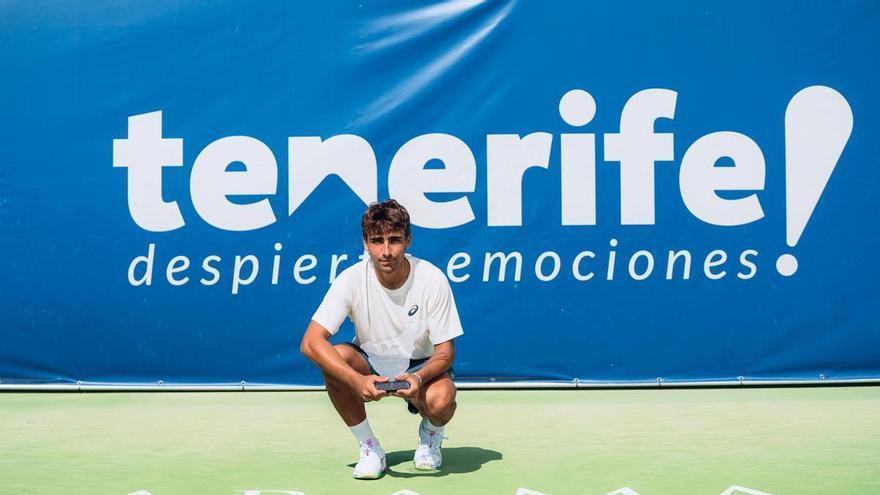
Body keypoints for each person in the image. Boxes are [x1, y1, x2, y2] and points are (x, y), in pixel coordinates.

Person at [300, 199, 463, 479]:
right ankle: (369, 447)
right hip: (370, 363)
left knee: (442, 401)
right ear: (365, 243)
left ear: (408, 240)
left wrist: (419, 378)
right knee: (333, 358)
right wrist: (357, 380)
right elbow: (310, 342)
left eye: (394, 240)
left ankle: (431, 435)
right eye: (377, 241)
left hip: (420, 367)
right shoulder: (351, 280)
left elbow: (446, 352)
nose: (386, 251)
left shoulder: (432, 279)